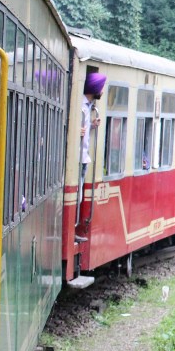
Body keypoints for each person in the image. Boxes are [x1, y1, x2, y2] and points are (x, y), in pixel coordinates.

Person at [77, 72, 105, 242]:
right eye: (101, 87)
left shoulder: (88, 106)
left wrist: (92, 126)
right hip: (79, 158)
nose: (102, 91)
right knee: (77, 197)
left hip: (83, 157)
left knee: (79, 196)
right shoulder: (80, 105)